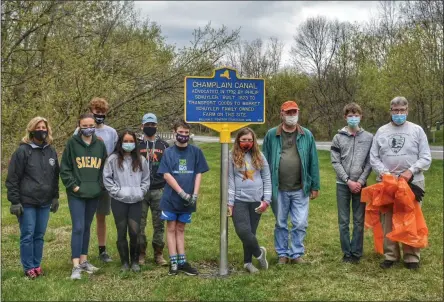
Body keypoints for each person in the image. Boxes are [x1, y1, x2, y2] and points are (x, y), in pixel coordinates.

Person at [370, 96, 432, 270]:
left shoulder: (417, 130)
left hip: (412, 182)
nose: (399, 113)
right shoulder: (382, 131)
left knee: (410, 218)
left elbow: (426, 156)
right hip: (388, 183)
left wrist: (410, 171)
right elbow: (373, 157)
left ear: (407, 110)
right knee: (388, 219)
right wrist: (386, 174)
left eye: (402, 110)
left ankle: (412, 256)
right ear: (390, 111)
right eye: (395, 110)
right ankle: (391, 255)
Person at [262, 100, 320, 264]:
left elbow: (313, 161)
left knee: (300, 223)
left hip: (300, 187)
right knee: (280, 222)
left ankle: (296, 253)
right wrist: (265, 186)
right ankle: (282, 253)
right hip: (278, 187)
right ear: (281, 114)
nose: (291, 115)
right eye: (288, 112)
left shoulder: (306, 135)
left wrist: (315, 185)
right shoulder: (271, 134)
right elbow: (264, 161)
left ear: (298, 113)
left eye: (294, 112)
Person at [5, 117, 60, 279]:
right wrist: (15, 201)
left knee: (39, 235)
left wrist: (55, 197)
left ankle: (37, 264)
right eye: (38, 127)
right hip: (27, 201)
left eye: (44, 127)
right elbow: (12, 178)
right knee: (27, 234)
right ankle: (28, 266)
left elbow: (54, 176)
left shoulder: (51, 151)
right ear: (31, 130)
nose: (41, 130)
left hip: (44, 202)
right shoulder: (22, 151)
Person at [158, 119, 209, 276]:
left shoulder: (196, 152)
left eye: (186, 133)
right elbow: (167, 175)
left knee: (181, 229)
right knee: (171, 227)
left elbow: (198, 173)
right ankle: (173, 262)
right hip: (172, 198)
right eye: (181, 132)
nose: (183, 135)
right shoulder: (168, 152)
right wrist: (181, 192)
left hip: (189, 199)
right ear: (175, 133)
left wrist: (195, 194)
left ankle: (182, 261)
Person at [61, 113, 108, 280]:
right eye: (85, 125)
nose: (88, 128)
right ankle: (75, 266)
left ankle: (84, 260)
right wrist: (73, 186)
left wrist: (100, 186)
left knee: (87, 226)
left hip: (93, 192)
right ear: (79, 126)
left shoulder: (100, 145)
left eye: (91, 125)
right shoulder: (72, 143)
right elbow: (65, 168)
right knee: (78, 227)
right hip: (77, 193)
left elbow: (105, 168)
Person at [74, 97, 118, 263]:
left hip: (104, 180)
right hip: (85, 179)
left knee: (101, 216)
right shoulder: (80, 131)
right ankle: (79, 251)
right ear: (91, 111)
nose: (99, 115)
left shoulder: (111, 132)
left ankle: (102, 250)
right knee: (84, 218)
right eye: (96, 112)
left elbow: (114, 155)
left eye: (102, 112)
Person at [330, 103, 373, 264]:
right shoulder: (338, 137)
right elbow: (335, 162)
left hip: (361, 185)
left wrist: (360, 181)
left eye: (356, 115)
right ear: (345, 117)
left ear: (361, 116)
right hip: (342, 184)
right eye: (350, 115)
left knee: (359, 219)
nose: (353, 118)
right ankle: (346, 253)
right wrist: (348, 181)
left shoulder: (369, 137)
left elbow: (370, 162)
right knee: (343, 221)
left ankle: (356, 252)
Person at [103, 130, 150, 272]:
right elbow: (107, 178)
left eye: (131, 141)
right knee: (121, 231)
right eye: (126, 141)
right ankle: (124, 262)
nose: (128, 144)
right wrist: (117, 192)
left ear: (135, 143)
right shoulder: (112, 159)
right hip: (119, 201)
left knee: (135, 232)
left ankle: (135, 261)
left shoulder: (141, 160)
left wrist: (141, 192)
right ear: (120, 142)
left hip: (136, 200)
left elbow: (146, 179)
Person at [227, 127, 271, 273]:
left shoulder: (259, 156)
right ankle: (259, 254)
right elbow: (230, 181)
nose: (247, 142)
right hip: (239, 200)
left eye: (250, 140)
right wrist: (230, 202)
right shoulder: (231, 156)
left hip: (256, 200)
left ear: (254, 141)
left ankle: (248, 263)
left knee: (251, 232)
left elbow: (267, 178)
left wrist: (266, 200)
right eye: (244, 140)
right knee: (243, 231)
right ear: (238, 140)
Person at [138, 113, 170, 266]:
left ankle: (158, 254)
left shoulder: (164, 145)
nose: (150, 127)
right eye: (147, 125)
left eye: (153, 125)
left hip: (159, 190)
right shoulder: (137, 145)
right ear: (142, 126)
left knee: (159, 224)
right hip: (140, 190)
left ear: (156, 126)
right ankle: (141, 254)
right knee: (139, 224)